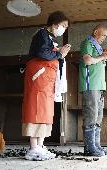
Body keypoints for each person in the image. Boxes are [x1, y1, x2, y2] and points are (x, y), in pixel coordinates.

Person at [22, 11, 71, 161]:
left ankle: (40, 146)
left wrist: (60, 54)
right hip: (38, 78)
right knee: (35, 109)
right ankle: (33, 148)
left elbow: (51, 55)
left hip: (47, 81)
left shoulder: (49, 38)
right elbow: (43, 54)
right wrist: (59, 54)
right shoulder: (41, 34)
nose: (63, 29)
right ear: (55, 24)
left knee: (45, 112)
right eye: (63, 26)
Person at [78, 24, 107, 157]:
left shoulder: (97, 47)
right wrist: (102, 57)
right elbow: (87, 61)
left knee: (98, 117)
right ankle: (90, 148)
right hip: (90, 85)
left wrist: (105, 55)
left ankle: (96, 146)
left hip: (98, 86)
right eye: (103, 35)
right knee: (91, 116)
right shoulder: (87, 42)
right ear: (96, 32)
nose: (104, 38)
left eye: (106, 36)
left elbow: (98, 61)